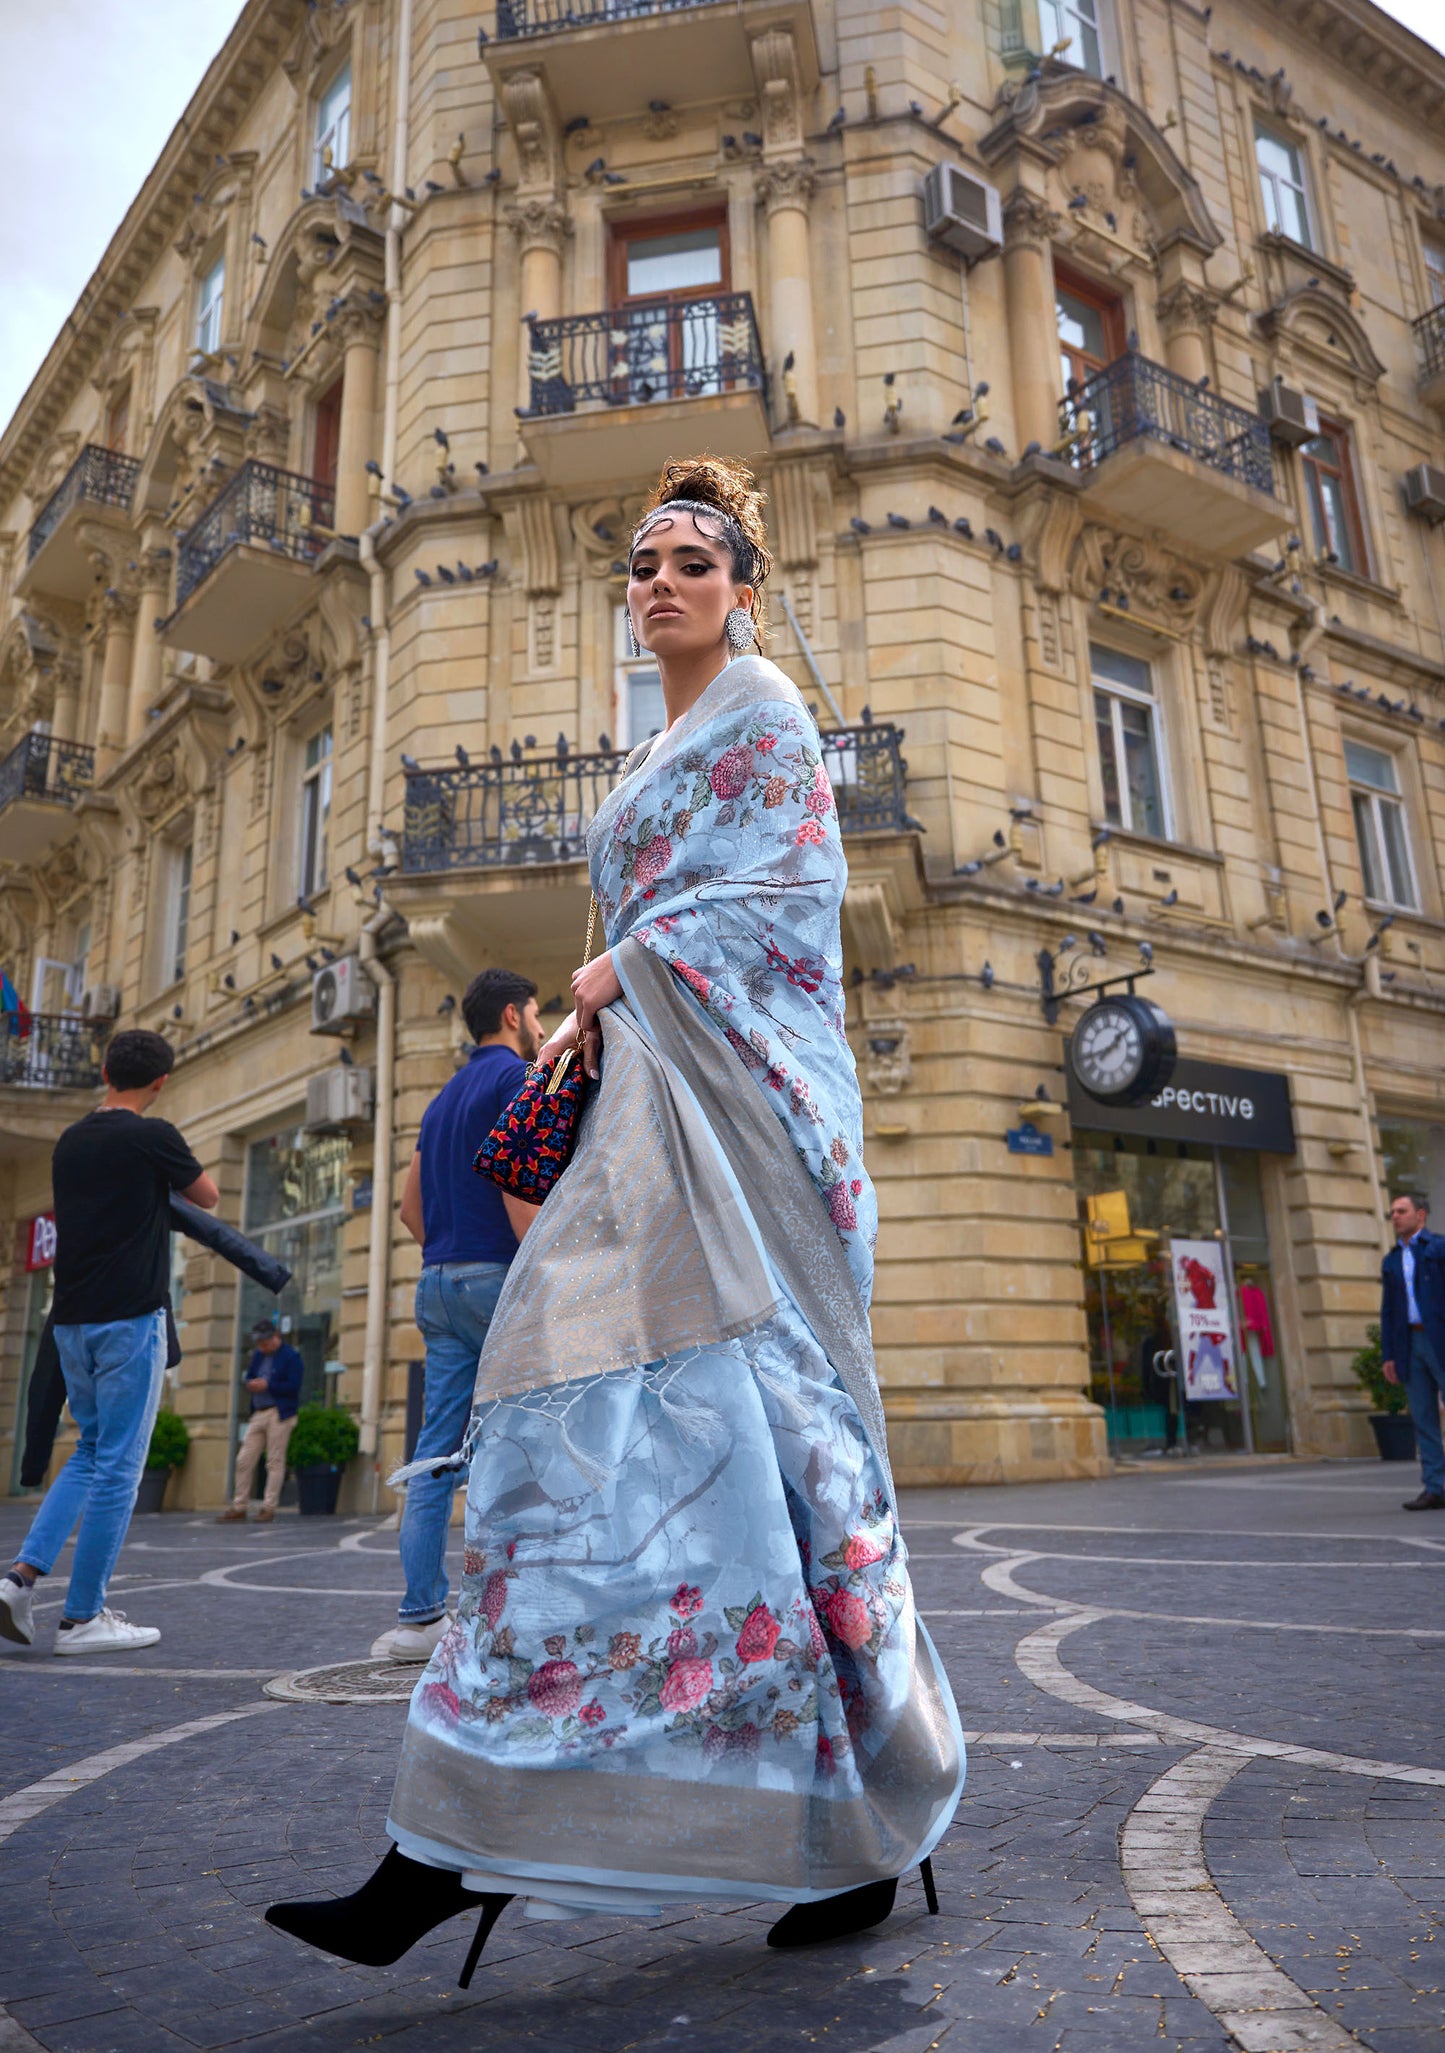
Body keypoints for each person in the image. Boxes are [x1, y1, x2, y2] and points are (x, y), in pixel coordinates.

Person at [267, 456, 963, 1981]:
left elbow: (783, 910)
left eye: (692, 563)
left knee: (772, 1475)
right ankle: (453, 1836)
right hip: (655, 1119)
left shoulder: (768, 712)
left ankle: (853, 1823)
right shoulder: (660, 743)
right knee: (562, 1455)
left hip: (748, 1135)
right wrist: (618, 992)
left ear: (742, 590)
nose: (660, 582)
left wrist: (612, 974)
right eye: (642, 564)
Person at [0, 1030, 218, 1654]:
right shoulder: (153, 1136)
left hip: (70, 1318)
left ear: (102, 1070)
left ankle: (20, 1579)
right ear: (161, 1083)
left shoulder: (70, 1140)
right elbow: (208, 1195)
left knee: (91, 1450)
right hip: (129, 1317)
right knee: (121, 1465)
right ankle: (82, 1617)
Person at [369, 969, 543, 1660]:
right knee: (531, 1437)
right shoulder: (514, 1081)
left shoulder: (439, 1100)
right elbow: (515, 1179)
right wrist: (540, 1269)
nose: (539, 1023)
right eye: (535, 1013)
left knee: (434, 1456)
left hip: (436, 1279)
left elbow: (409, 1210)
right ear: (510, 1014)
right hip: (496, 1275)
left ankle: (420, 1618)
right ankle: (524, 1603)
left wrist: (451, 1257)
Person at [1380, 1189, 1445, 1511]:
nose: (1395, 1216)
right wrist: (1389, 1354)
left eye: (1401, 1211)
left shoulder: (1439, 1248)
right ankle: (1436, 1487)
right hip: (1410, 1343)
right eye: (1392, 1212)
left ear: (1421, 1215)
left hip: (1440, 1339)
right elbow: (1389, 1311)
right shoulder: (1391, 1259)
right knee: (1423, 1418)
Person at [218, 1319, 306, 1525]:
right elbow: (249, 1375)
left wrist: (268, 1384)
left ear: (276, 1337)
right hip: (259, 1411)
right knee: (243, 1459)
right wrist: (252, 1383)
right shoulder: (258, 1355)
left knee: (274, 1461)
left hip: (279, 1412)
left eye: (265, 1342)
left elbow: (294, 1386)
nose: (262, 1347)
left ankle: (268, 1507)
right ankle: (239, 1506)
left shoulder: (291, 1357)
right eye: (259, 1343)